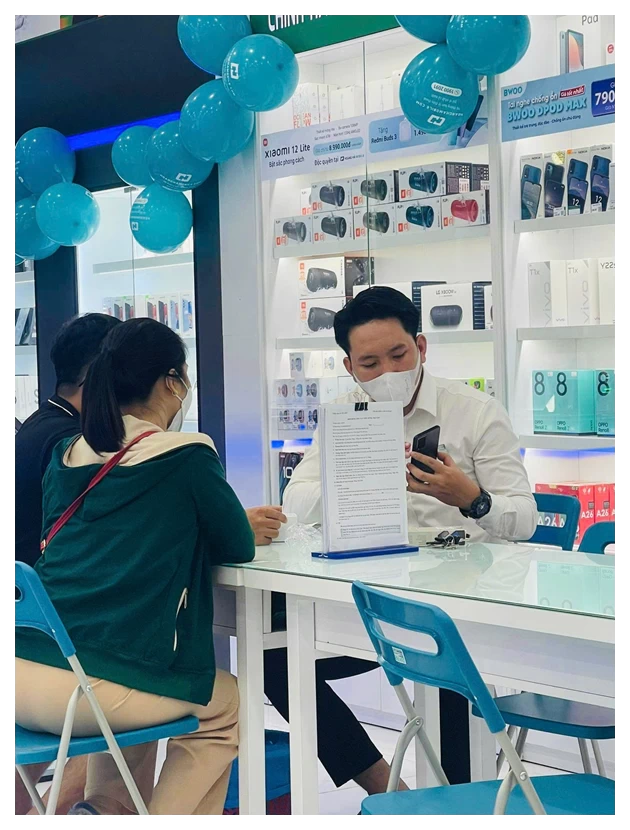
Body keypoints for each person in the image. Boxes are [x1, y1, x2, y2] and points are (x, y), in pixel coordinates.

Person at [270, 286, 537, 791]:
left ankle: (459, 798)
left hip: (461, 606)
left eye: (399, 355)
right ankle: (385, 788)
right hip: (372, 601)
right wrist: (360, 476)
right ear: (349, 367)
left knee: (450, 698)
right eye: (370, 364)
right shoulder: (343, 413)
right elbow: (296, 502)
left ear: (421, 346)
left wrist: (471, 498)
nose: (388, 373)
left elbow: (524, 518)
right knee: (275, 654)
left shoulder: (475, 411)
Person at [15, 318, 255, 815]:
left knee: (144, 680)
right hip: (86, 688)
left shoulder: (66, 453)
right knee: (226, 704)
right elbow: (238, 543)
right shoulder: (186, 454)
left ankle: (106, 806)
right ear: (171, 381)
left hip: (24, 667)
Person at [15, 312, 121, 816]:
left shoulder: (38, 427)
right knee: (137, 671)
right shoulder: (72, 445)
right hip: (60, 637)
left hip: (32, 630)